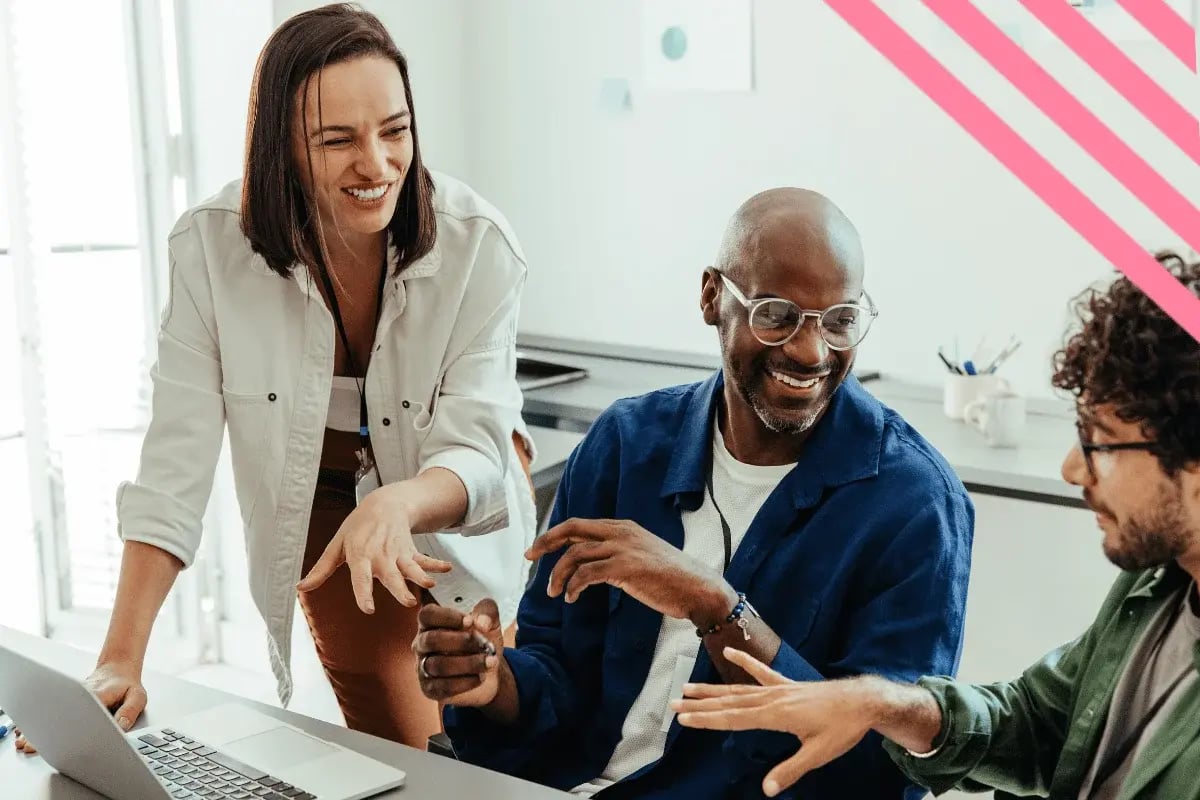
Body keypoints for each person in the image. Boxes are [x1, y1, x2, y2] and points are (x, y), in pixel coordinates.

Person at [13, 3, 535, 754]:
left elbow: (482, 449)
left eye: (395, 130)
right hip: (328, 515)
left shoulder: (478, 243)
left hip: (453, 499)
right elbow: (174, 466)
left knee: (504, 733)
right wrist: (119, 659)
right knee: (411, 754)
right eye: (337, 141)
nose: (378, 165)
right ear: (281, 149)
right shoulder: (209, 249)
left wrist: (399, 502)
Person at [413, 188, 975, 798]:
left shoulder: (914, 502)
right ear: (712, 296)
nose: (812, 352)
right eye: (776, 315)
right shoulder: (625, 445)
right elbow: (558, 679)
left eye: (839, 322)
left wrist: (715, 607)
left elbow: (883, 771)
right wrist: (491, 682)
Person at [672, 252, 1200, 800]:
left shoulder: (914, 490)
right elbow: (1039, 725)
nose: (1071, 468)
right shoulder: (1156, 587)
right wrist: (882, 702)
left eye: (1099, 442)